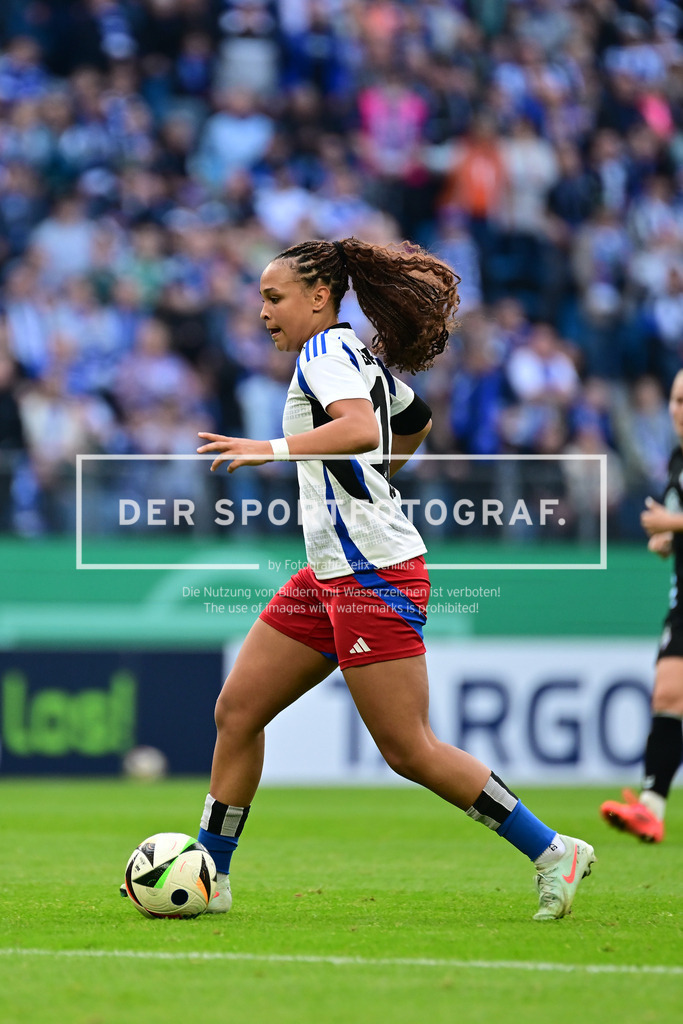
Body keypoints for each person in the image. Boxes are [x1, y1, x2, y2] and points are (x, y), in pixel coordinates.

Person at [193, 236, 596, 921]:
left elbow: (354, 429)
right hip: (329, 573)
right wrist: (376, 481)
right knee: (237, 713)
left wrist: (271, 449)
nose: (263, 313)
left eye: (273, 297)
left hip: (372, 574)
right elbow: (413, 421)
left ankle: (554, 848)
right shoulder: (353, 355)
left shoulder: (324, 353)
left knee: (407, 749)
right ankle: (211, 876)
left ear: (318, 298)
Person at [600, 369, 683, 843]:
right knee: (667, 695)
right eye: (674, 400)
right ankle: (652, 807)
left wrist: (671, 521)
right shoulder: (676, 458)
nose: (678, 410)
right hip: (682, 598)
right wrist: (669, 538)